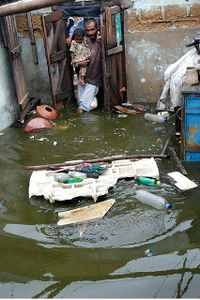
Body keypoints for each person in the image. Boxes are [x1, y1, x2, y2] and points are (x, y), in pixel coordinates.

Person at [75, 18, 102, 113]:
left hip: (93, 81)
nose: (90, 32)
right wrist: (79, 63)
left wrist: (100, 43)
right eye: (87, 30)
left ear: (97, 28)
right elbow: (75, 59)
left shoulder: (101, 41)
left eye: (92, 29)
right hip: (82, 79)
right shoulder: (84, 42)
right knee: (80, 103)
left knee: (81, 108)